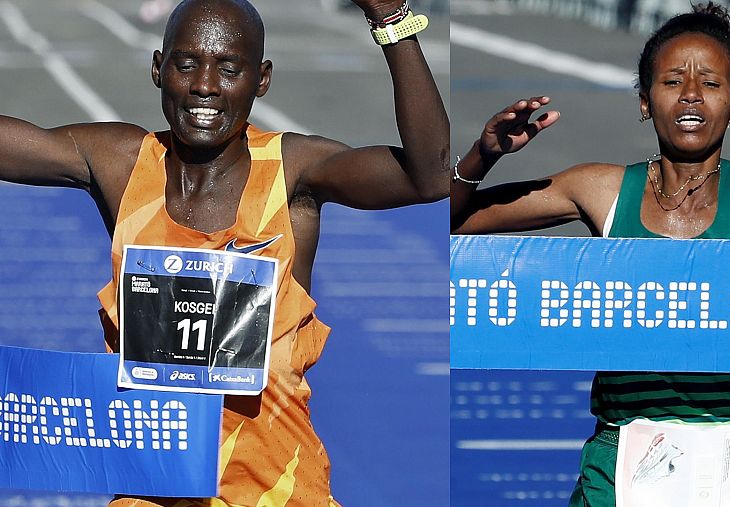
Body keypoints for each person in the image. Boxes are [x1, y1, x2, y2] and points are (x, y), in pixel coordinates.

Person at [0, 0, 448, 505]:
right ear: (158, 68)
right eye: (186, 63)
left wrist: (392, 20)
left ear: (262, 79)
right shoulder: (121, 161)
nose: (205, 86)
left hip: (277, 489)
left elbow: (426, 176)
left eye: (229, 68)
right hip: (154, 490)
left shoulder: (293, 169)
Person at [450, 3, 730, 506]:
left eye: (710, 83)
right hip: (620, 461)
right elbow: (455, 218)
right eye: (671, 82)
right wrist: (482, 155)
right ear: (645, 102)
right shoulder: (603, 191)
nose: (690, 95)